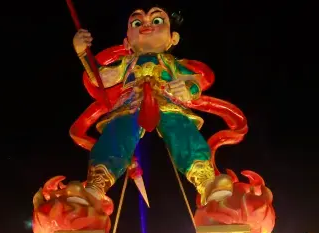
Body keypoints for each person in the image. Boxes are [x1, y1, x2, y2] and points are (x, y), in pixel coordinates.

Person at [71, 5, 234, 210]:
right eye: (137, 23)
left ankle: (206, 182)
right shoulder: (127, 63)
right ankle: (95, 187)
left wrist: (187, 90)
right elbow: (100, 77)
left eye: (157, 21)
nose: (146, 25)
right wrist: (83, 53)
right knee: (116, 135)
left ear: (173, 39)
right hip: (130, 105)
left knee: (182, 132)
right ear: (127, 41)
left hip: (167, 102)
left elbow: (195, 80)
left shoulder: (170, 62)